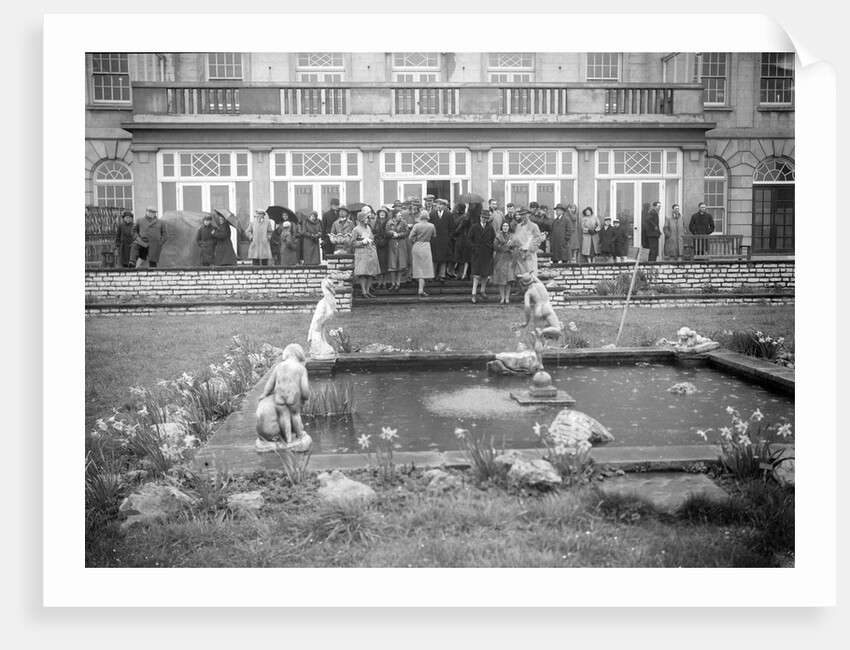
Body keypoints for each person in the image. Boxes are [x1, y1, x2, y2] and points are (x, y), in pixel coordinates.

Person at [255, 343, 310, 446]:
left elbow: (270, 382)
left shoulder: (279, 366)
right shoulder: (300, 368)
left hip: (279, 397)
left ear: (287, 354)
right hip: (292, 397)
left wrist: (264, 394)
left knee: (283, 416)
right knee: (295, 414)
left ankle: (288, 439)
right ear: (297, 355)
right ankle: (299, 434)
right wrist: (306, 396)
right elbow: (304, 387)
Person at [517, 272, 563, 341]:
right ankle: (543, 331)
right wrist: (531, 274)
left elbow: (527, 307)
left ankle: (539, 335)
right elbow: (536, 279)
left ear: (523, 283)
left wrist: (527, 321)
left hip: (538, 310)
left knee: (537, 333)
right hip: (547, 307)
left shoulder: (528, 293)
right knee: (557, 329)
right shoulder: (540, 284)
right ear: (532, 279)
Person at [467, 205, 495, 303]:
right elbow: (469, 239)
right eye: (483, 217)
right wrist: (474, 247)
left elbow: (493, 239)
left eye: (486, 218)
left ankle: (483, 291)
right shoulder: (474, 227)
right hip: (477, 253)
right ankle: (473, 293)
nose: (484, 219)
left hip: (487, 253)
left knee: (485, 274)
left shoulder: (490, 228)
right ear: (480, 217)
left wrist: (491, 247)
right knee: (476, 275)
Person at [352, 209, 380, 298]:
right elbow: (352, 243)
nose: (367, 219)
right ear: (361, 219)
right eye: (365, 218)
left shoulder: (368, 227)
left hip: (370, 251)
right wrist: (361, 242)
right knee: (363, 273)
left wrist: (371, 239)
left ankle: (368, 291)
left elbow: (371, 236)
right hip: (361, 253)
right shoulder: (356, 229)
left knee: (370, 273)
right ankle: (363, 291)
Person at [408, 210, 436, 298]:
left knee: (418, 267)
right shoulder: (431, 226)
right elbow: (434, 235)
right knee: (425, 268)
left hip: (417, 246)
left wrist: (414, 241)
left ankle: (420, 288)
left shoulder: (417, 226)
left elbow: (410, 237)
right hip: (426, 246)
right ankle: (421, 289)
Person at [512, 207, 544, 276]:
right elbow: (516, 238)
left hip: (529, 254)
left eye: (525, 214)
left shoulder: (534, 226)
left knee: (530, 276)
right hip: (519, 254)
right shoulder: (518, 226)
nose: (523, 216)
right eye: (522, 214)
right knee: (521, 276)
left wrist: (529, 251)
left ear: (529, 214)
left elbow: (537, 240)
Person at [430, 197, 455, 281]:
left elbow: (452, 228)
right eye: (437, 204)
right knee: (435, 257)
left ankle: (442, 275)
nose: (439, 206)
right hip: (435, 239)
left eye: (441, 204)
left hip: (445, 239)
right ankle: (433, 275)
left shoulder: (449, 215)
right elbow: (430, 227)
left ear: (444, 206)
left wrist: (449, 237)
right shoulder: (432, 215)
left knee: (444, 258)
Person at [492, 220, 517, 304]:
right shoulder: (498, 236)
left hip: (510, 258)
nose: (505, 227)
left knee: (509, 279)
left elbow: (515, 244)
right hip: (500, 258)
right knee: (501, 279)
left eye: (506, 226)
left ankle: (507, 298)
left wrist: (510, 246)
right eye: (504, 226)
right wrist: (505, 246)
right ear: (501, 227)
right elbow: (495, 246)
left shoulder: (512, 236)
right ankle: (502, 297)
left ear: (509, 227)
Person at [385, 207, 410, 291]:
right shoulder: (389, 222)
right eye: (399, 215)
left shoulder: (404, 222)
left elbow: (407, 232)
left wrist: (399, 235)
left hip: (401, 244)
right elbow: (386, 232)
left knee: (400, 264)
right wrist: (392, 233)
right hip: (392, 244)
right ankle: (393, 283)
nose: (400, 216)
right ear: (395, 215)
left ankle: (398, 283)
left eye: (401, 215)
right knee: (392, 265)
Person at [451, 202, 471, 280]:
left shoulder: (464, 217)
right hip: (460, 238)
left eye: (458, 208)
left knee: (462, 256)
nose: (456, 210)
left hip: (463, 238)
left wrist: (453, 234)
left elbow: (460, 228)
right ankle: (461, 273)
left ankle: (461, 273)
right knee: (459, 256)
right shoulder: (460, 216)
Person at [371, 207, 391, 288]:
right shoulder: (376, 223)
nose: (382, 214)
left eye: (384, 212)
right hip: (377, 245)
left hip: (386, 245)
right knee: (378, 263)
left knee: (385, 264)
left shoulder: (388, 222)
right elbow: (373, 232)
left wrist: (386, 236)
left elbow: (390, 233)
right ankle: (379, 282)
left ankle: (384, 283)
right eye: (380, 212)